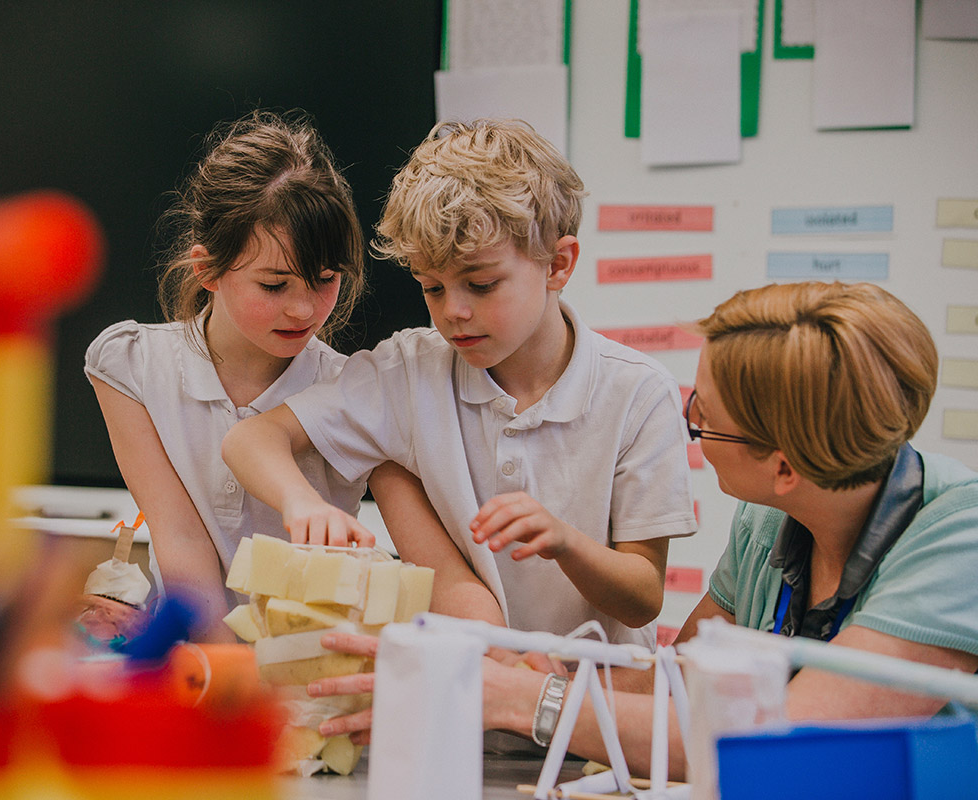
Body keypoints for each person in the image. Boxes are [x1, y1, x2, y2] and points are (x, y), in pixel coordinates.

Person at [463, 280, 978, 777]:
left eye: (702, 417)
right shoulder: (770, 518)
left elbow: (778, 743)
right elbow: (679, 683)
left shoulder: (959, 546)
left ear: (784, 469)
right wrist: (540, 677)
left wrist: (528, 702)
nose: (694, 433)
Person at [222, 119, 697, 643]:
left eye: (481, 284)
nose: (454, 313)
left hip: (589, 707)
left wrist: (565, 542)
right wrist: (302, 503)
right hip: (462, 703)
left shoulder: (638, 393)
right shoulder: (409, 371)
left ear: (558, 265)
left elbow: (644, 598)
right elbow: (251, 438)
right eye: (431, 288)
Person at [86, 110, 413, 641]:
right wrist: (228, 676)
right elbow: (181, 537)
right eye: (274, 285)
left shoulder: (353, 388)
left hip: (309, 663)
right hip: (198, 659)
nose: (304, 310)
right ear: (207, 269)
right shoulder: (131, 365)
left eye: (326, 279)